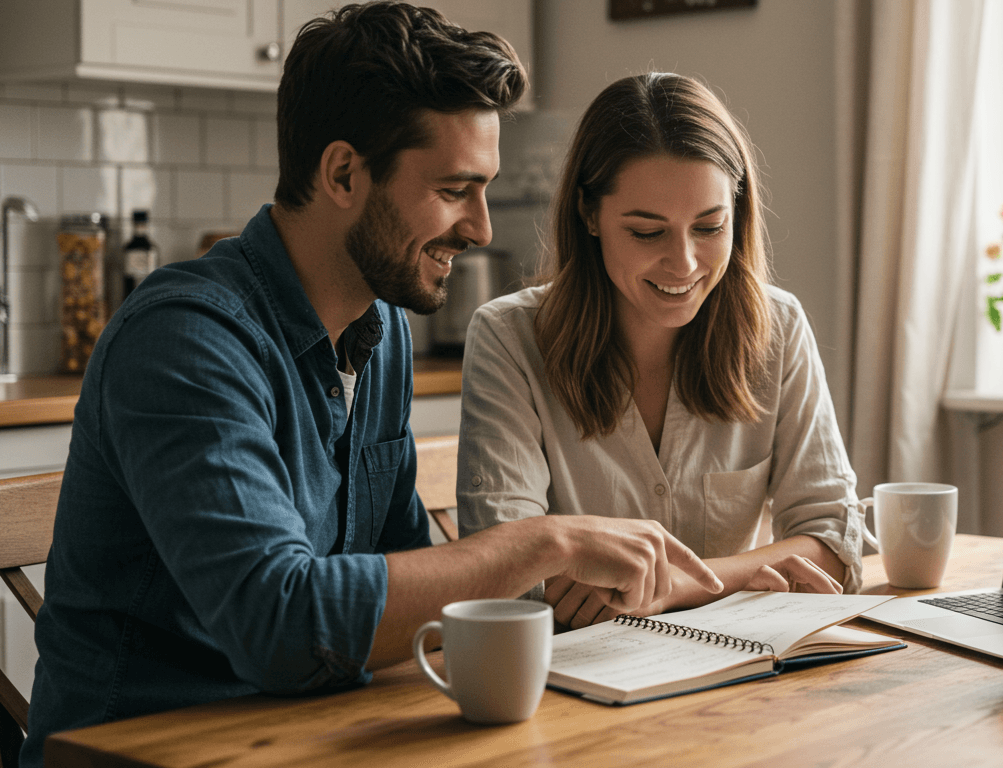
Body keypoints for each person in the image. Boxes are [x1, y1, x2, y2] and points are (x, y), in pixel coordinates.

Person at [20, 6, 721, 765]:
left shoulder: (378, 335)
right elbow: (280, 625)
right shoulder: (185, 339)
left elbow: (413, 590)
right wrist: (544, 542)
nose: (482, 227)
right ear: (344, 173)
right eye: (455, 188)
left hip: (312, 740)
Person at [457, 73, 864, 630]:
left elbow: (832, 547)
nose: (685, 263)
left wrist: (675, 586)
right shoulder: (509, 339)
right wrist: (746, 573)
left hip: (743, 680)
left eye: (709, 227)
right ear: (589, 214)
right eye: (647, 233)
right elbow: (501, 568)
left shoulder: (780, 326)